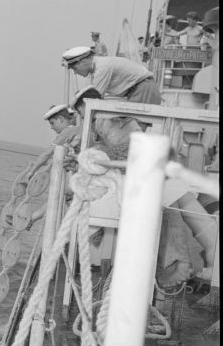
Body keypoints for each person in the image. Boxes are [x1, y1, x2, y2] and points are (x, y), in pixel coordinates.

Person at [69, 87, 208, 289]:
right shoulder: (105, 120)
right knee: (170, 200)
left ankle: (175, 262)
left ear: (86, 104)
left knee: (166, 202)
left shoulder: (104, 117)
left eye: (79, 110)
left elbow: (120, 147)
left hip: (135, 171)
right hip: (140, 169)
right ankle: (176, 262)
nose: (81, 116)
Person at [62, 46, 161, 105]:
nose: (75, 72)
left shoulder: (101, 68)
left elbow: (95, 98)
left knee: (132, 131)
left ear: (82, 61)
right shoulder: (99, 67)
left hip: (142, 89)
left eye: (75, 68)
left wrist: (75, 103)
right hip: (139, 90)